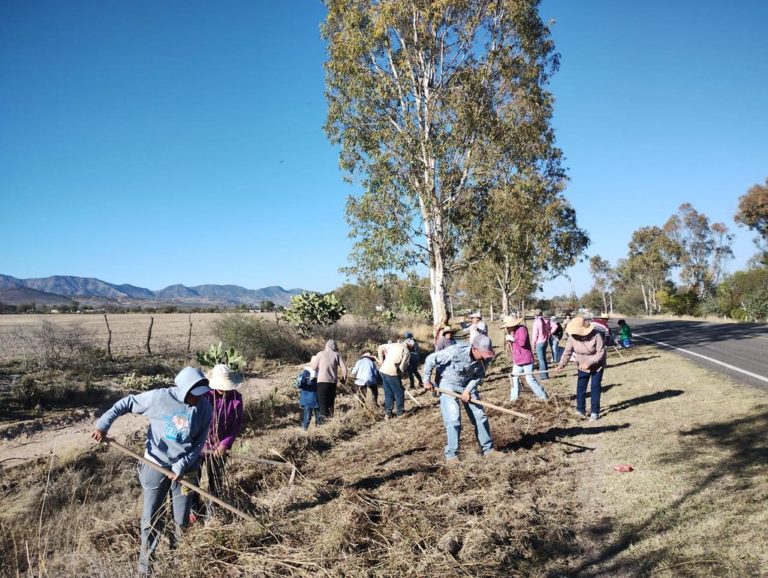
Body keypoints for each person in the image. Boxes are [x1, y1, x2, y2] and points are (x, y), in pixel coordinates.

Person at [91, 367, 212, 577]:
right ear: (184, 390)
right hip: (156, 465)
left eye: (202, 395)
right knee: (151, 518)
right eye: (195, 395)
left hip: (186, 470)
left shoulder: (205, 407)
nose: (198, 399)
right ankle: (146, 569)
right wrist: (103, 425)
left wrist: (180, 466)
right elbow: (126, 403)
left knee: (182, 519)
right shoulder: (158, 398)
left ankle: (178, 562)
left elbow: (198, 444)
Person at [423, 334, 502, 463]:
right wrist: (427, 380)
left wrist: (467, 390)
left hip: (468, 384)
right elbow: (430, 359)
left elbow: (479, 377)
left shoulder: (485, 358)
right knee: (454, 418)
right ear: (474, 349)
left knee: (480, 416)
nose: (484, 357)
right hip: (448, 383)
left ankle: (488, 450)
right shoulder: (455, 352)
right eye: (482, 354)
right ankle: (452, 455)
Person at [196, 364, 243, 522]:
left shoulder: (236, 399)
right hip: (199, 445)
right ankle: (193, 509)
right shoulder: (205, 396)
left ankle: (212, 509)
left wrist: (224, 443)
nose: (224, 390)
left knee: (215, 480)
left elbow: (235, 426)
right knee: (192, 479)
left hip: (219, 448)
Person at [555, 316, 607, 421]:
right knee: (581, 388)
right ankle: (580, 410)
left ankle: (594, 412)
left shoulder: (596, 335)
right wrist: (561, 365)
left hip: (597, 366)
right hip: (582, 366)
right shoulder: (572, 338)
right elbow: (567, 353)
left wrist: (589, 363)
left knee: (595, 388)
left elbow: (601, 352)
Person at [501, 315, 547, 402]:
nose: (507, 328)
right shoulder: (512, 331)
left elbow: (522, 343)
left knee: (529, 379)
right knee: (514, 378)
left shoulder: (522, 329)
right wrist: (509, 340)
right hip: (517, 360)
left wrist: (512, 339)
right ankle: (514, 398)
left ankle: (543, 396)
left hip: (526, 359)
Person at [310, 340, 348, 420]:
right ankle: (331, 419)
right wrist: (344, 379)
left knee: (323, 403)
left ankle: (324, 423)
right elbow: (344, 367)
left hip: (322, 382)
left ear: (326, 346)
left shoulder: (320, 354)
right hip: (332, 382)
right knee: (331, 403)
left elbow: (314, 367)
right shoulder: (337, 355)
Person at [377, 340, 412, 418]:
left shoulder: (394, 345)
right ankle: (400, 413)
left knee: (388, 392)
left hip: (383, 370)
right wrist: (399, 378)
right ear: (409, 346)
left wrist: (381, 360)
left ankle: (387, 414)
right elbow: (401, 368)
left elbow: (380, 347)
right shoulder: (406, 352)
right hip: (392, 372)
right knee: (399, 393)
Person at [296, 358, 321, 429]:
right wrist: (307, 381)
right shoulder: (307, 371)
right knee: (307, 418)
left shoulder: (321, 371)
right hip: (309, 398)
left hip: (316, 398)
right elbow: (300, 384)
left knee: (318, 418)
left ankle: (319, 433)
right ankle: (304, 432)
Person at [531, 309, 551, 380]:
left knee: (541, 359)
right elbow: (548, 329)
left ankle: (543, 376)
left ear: (535, 314)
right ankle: (546, 374)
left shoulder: (536, 322)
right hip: (545, 341)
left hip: (539, 342)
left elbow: (534, 335)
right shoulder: (544, 321)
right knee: (544, 359)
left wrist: (533, 344)